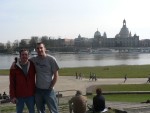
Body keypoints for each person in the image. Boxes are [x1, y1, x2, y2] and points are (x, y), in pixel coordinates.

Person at [31, 42, 59, 113]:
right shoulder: (34, 60)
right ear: (36, 50)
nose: (39, 49)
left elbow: (56, 75)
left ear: (44, 49)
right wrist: (15, 63)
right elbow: (23, 60)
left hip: (49, 91)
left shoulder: (51, 59)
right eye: (38, 48)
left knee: (53, 110)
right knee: (40, 111)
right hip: (38, 90)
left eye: (41, 48)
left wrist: (51, 86)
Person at [9, 49, 36, 113]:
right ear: (20, 56)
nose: (24, 56)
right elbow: (12, 83)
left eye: (26, 54)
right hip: (19, 95)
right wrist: (12, 96)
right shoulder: (14, 67)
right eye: (22, 54)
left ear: (28, 56)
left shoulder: (32, 65)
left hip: (30, 95)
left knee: (32, 111)